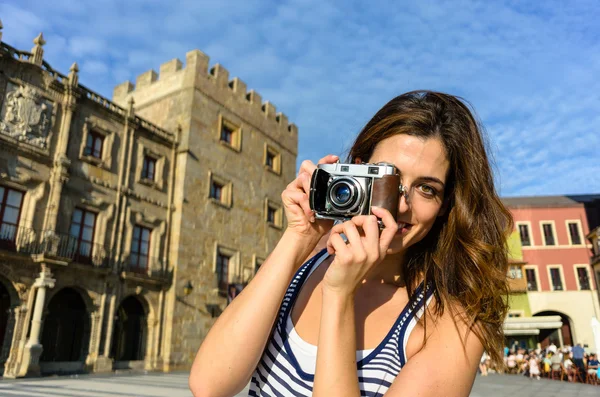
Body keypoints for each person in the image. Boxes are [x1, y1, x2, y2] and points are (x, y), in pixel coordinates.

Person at [189, 91, 514, 397]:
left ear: (445, 206)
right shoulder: (304, 261)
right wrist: (297, 237)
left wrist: (339, 296)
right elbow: (209, 385)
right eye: (388, 176)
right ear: (357, 169)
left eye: (426, 189)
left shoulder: (451, 325)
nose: (401, 205)